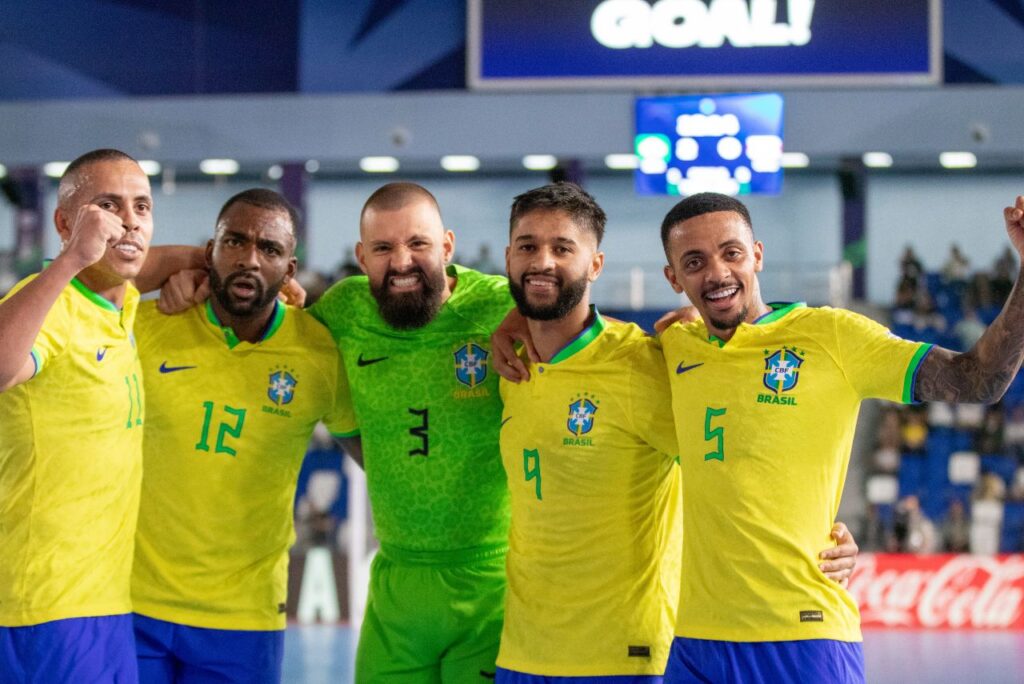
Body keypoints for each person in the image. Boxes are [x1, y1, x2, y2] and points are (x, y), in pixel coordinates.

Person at [657, 191, 1024, 682]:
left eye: (732, 253)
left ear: (758, 255)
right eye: (694, 262)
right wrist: (517, 322)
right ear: (673, 278)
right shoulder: (675, 346)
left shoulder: (832, 336)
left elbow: (978, 379)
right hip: (694, 641)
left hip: (802, 638)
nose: (717, 273)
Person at [129, 188, 356, 683]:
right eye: (234, 242)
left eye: (269, 250)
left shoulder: (319, 354)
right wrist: (182, 265)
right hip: (133, 602)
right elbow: (78, 281)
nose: (249, 259)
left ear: (289, 270)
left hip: (244, 616)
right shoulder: (148, 326)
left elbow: (373, 452)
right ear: (209, 250)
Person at [307, 182, 515, 681]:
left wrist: (694, 323)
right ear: (362, 256)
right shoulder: (342, 312)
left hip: (492, 586)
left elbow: (595, 339)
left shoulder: (503, 306)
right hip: (396, 585)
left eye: (418, 244)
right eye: (383, 248)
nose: (401, 261)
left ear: (446, 245)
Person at [496, 182, 681, 681]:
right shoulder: (508, 365)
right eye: (528, 246)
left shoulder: (640, 365)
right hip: (521, 653)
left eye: (563, 248)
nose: (543, 261)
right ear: (508, 258)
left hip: (624, 656)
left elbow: (730, 464)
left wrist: (818, 532)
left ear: (595, 265)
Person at [0, 149, 153, 682]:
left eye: (142, 207)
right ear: (66, 223)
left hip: (105, 603)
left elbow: (138, 256)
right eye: (108, 206)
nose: (129, 220)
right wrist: (69, 261)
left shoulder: (119, 304)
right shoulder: (52, 303)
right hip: (41, 609)